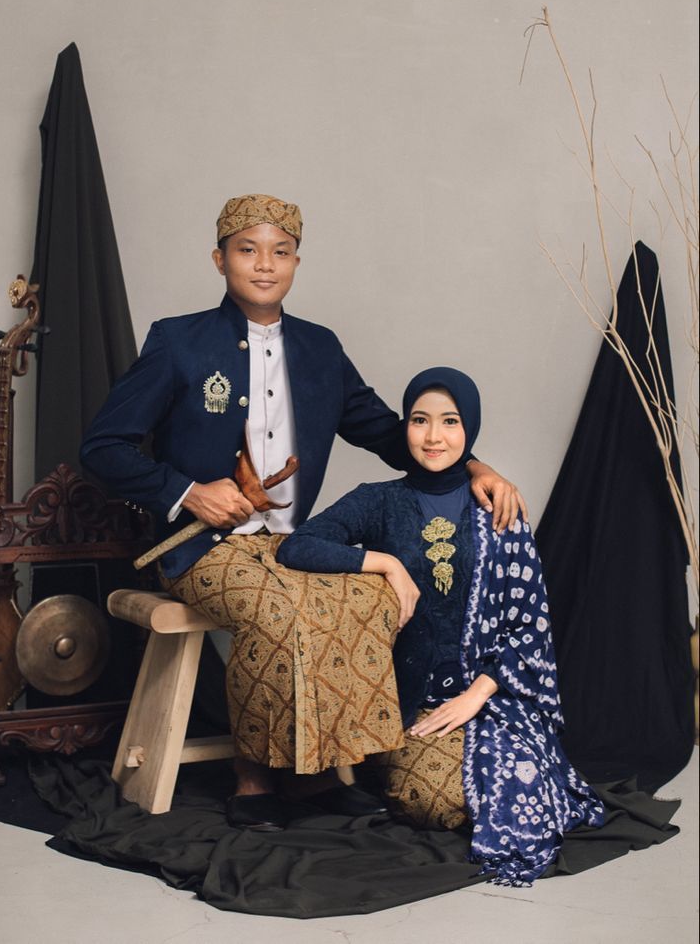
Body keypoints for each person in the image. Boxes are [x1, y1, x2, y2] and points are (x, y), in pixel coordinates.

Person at [80, 195, 526, 831]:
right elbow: (103, 447)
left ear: (296, 262)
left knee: (361, 600)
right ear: (219, 258)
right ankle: (255, 776)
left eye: (280, 252)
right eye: (247, 250)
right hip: (201, 547)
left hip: (295, 541)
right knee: (280, 608)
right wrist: (187, 491)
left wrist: (474, 464)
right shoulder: (177, 342)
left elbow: (386, 431)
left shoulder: (320, 348)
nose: (265, 265)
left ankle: (326, 771)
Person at [277, 367, 605, 885]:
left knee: (518, 781)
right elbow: (296, 546)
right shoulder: (380, 500)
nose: (433, 437)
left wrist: (477, 695)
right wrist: (383, 562)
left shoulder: (497, 507)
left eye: (450, 422)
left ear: (469, 430)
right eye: (419, 420)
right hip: (413, 703)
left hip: (493, 697)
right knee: (436, 801)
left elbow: (529, 624)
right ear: (404, 427)